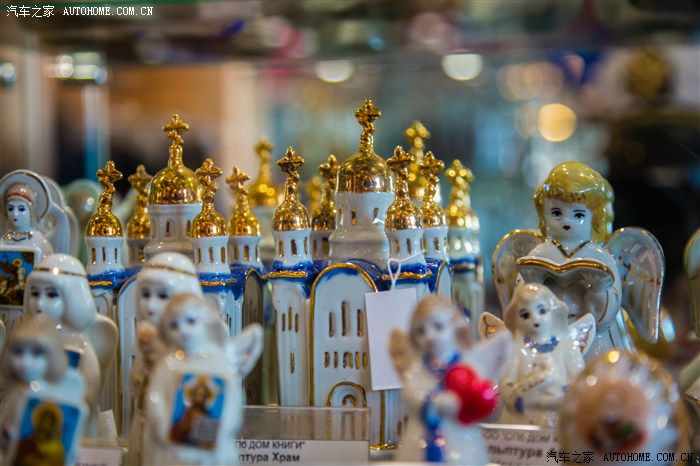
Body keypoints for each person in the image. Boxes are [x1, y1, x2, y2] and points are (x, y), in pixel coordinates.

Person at [389, 295, 511, 465]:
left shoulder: (468, 364)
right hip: (421, 438)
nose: (430, 336)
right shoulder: (418, 369)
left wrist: (463, 402)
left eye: (438, 327)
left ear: (454, 327)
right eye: (421, 331)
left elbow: (481, 391)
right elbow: (411, 392)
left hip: (460, 436)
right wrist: (433, 402)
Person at [144, 293, 262, 465]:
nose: (183, 330)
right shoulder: (168, 364)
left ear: (205, 322)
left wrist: (225, 425)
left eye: (190, 321)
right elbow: (156, 395)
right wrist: (160, 422)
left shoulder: (218, 360)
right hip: (174, 445)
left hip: (211, 446)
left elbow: (233, 396)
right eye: (174, 325)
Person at [23, 254, 117, 438]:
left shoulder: (77, 342)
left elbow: (89, 389)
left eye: (51, 295)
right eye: (35, 293)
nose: (39, 303)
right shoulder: (31, 336)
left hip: (70, 426)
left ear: (72, 296)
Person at [495, 283, 594, 427]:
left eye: (542, 311)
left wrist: (561, 397)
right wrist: (523, 399)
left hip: (559, 420)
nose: (535, 318)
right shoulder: (515, 350)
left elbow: (579, 382)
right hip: (522, 423)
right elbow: (506, 385)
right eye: (525, 314)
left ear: (552, 311)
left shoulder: (568, 347)